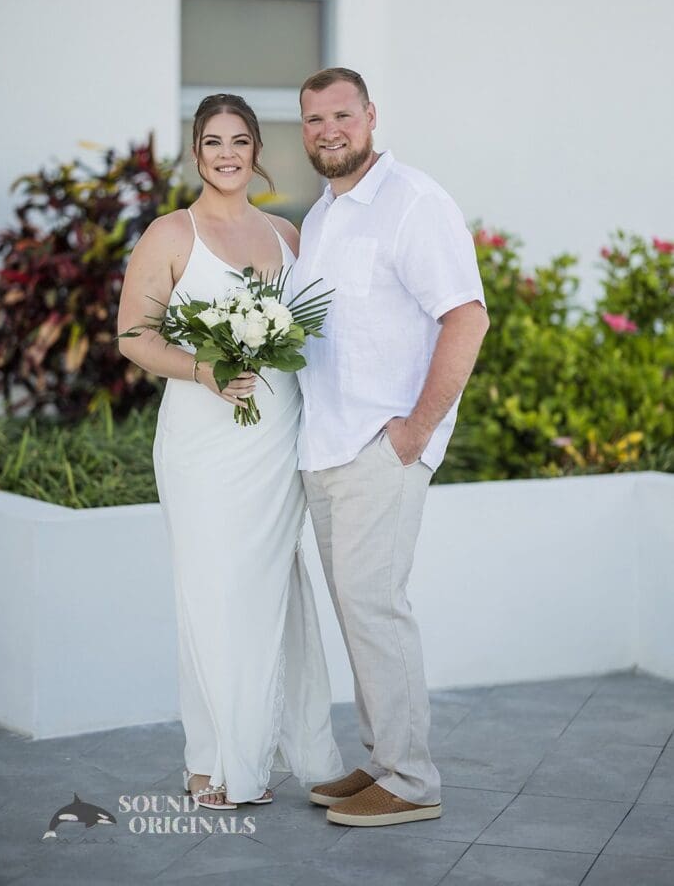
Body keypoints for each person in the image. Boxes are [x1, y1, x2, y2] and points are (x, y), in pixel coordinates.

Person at [117, 93, 343, 809]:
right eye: (212, 140)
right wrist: (204, 369)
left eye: (239, 139)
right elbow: (133, 338)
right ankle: (211, 760)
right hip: (201, 443)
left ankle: (278, 746)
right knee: (211, 591)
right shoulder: (168, 234)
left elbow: (320, 327)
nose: (226, 152)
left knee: (271, 592)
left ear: (255, 151)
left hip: (275, 437)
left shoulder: (286, 232)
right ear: (196, 152)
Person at [293, 68, 490, 828]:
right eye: (313, 120)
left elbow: (465, 318)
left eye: (341, 115)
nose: (327, 131)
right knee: (356, 609)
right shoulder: (322, 215)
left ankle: (411, 779)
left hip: (382, 445)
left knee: (377, 606)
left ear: (371, 117)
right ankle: (382, 760)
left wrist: (412, 433)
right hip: (326, 444)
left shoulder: (414, 202)